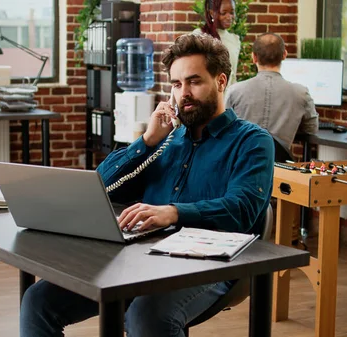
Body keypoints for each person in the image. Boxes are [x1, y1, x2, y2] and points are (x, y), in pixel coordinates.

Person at [19, 33, 274, 337]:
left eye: (194, 82)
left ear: (220, 82)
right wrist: (146, 141)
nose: (184, 94)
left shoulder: (253, 141)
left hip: (210, 262)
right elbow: (102, 185)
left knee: (145, 315)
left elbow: (243, 209)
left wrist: (174, 212)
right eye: (177, 85)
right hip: (143, 256)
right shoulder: (166, 140)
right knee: (38, 300)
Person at [226, 32, 319, 150]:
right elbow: (311, 129)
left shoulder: (234, 91)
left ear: (254, 57)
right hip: (281, 165)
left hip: (242, 164)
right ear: (284, 55)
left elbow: (224, 130)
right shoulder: (301, 93)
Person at [194, 0, 241, 88]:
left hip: (228, 97)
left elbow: (233, 76)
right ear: (212, 13)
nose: (229, 17)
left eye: (232, 12)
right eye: (224, 13)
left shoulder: (235, 39)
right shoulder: (199, 36)